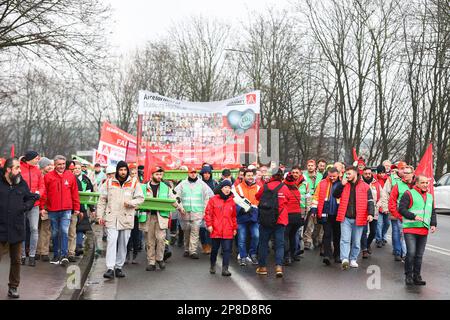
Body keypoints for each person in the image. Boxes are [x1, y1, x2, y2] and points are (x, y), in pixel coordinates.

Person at [96, 161, 144, 279]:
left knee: (123, 243)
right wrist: (99, 216)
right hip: (112, 217)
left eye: (124, 170)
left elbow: (140, 198)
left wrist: (131, 203)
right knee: (111, 241)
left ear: (127, 170)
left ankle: (118, 267)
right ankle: (110, 268)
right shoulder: (109, 182)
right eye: (120, 170)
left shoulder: (133, 183)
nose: (123, 172)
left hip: (126, 217)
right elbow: (102, 200)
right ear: (117, 170)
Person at [0, 158, 40, 298]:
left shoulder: (21, 183)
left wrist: (25, 207)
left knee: (16, 260)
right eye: (17, 167)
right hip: (1, 227)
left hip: (17, 228)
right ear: (8, 169)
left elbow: (30, 197)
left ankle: (13, 287)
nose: (19, 170)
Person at [40, 155, 80, 267]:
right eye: (59, 164)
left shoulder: (70, 176)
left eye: (63, 164)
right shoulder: (48, 176)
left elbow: (74, 193)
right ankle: (56, 255)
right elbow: (45, 193)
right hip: (53, 209)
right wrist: (42, 207)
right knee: (55, 233)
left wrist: (76, 207)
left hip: (67, 209)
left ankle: (64, 256)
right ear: (55, 164)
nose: (61, 166)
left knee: (64, 231)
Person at [399, 174, 437, 286]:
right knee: (411, 253)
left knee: (419, 255)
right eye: (423, 183)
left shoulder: (430, 196)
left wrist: (433, 224)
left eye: (427, 183)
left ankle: (417, 276)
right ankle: (408, 276)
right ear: (417, 183)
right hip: (410, 229)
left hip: (423, 229)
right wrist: (413, 216)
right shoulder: (408, 194)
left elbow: (432, 212)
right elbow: (401, 209)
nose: (425, 185)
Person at [333, 166, 374, 269]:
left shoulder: (365, 186)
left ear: (355, 173)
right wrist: (341, 186)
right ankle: (345, 259)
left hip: (359, 217)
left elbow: (370, 201)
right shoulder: (344, 184)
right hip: (345, 217)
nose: (347, 176)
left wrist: (371, 214)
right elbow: (335, 195)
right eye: (346, 174)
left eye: (349, 173)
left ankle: (353, 259)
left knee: (356, 241)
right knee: (345, 240)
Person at [139, 167, 179, 271]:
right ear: (152, 175)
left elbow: (172, 199)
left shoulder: (166, 187)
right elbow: (138, 199)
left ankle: (160, 258)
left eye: (161, 175)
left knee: (161, 239)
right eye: (157, 174)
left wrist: (180, 207)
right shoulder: (143, 187)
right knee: (150, 240)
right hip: (148, 217)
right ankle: (151, 262)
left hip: (161, 217)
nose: (159, 177)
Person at [255, 167, 290, 277]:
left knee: (263, 243)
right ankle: (279, 267)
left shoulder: (265, 186)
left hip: (266, 219)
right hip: (280, 220)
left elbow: (257, 197)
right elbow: (288, 199)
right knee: (279, 244)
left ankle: (262, 267)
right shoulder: (284, 188)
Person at [174, 167, 213, 259]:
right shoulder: (182, 184)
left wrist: (204, 210)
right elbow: (176, 196)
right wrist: (180, 207)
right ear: (188, 173)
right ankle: (187, 249)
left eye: (194, 172)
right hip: (185, 212)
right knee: (186, 231)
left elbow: (207, 197)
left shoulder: (202, 184)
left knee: (195, 231)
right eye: (191, 172)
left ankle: (193, 251)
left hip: (197, 211)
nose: (193, 174)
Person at [205, 180, 237, 276]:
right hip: (216, 229)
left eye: (229, 187)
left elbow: (234, 216)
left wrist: (235, 228)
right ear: (221, 188)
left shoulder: (232, 201)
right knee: (214, 249)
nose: (227, 189)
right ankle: (212, 265)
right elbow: (208, 213)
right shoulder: (213, 199)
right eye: (225, 187)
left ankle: (225, 269)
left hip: (228, 229)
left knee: (227, 249)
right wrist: (209, 225)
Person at [311, 167, 342, 265]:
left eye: (334, 176)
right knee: (327, 234)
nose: (332, 178)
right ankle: (327, 255)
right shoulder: (322, 183)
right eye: (330, 176)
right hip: (326, 213)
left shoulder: (342, 184)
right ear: (328, 174)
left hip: (338, 213)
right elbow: (316, 197)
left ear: (338, 175)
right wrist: (314, 209)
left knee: (337, 235)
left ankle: (337, 255)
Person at [19, 151, 45, 267]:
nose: (37, 160)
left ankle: (32, 256)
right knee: (22, 229)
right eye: (36, 158)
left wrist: (39, 193)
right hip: (21, 204)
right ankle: (23, 255)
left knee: (34, 228)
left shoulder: (37, 171)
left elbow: (42, 185)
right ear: (29, 159)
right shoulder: (19, 169)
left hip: (35, 203)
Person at [233, 169, 260, 266]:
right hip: (242, 217)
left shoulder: (258, 188)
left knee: (256, 236)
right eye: (248, 175)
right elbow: (233, 202)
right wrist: (240, 209)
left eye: (252, 175)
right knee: (241, 238)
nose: (250, 177)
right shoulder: (238, 188)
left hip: (254, 216)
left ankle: (252, 254)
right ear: (244, 177)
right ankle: (243, 256)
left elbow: (260, 202)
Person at [388, 164, 414, 261]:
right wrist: (397, 215)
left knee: (412, 237)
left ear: (412, 174)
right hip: (402, 216)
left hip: (415, 217)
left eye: (408, 173)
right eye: (404, 173)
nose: (405, 175)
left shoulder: (417, 185)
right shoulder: (398, 185)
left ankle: (410, 255)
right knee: (401, 235)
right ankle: (403, 254)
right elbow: (392, 202)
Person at [360, 167, 385, 259]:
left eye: (369, 173)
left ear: (371, 174)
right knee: (364, 231)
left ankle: (367, 243)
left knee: (373, 231)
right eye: (366, 173)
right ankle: (364, 250)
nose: (367, 175)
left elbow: (382, 196)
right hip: (362, 211)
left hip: (374, 210)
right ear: (363, 174)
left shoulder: (376, 184)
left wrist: (378, 204)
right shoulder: (359, 183)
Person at [71, 163, 95, 258]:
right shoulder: (69, 178)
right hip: (72, 206)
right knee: (72, 228)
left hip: (83, 207)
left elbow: (90, 195)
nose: (77, 170)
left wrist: (92, 208)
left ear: (81, 169)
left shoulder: (86, 180)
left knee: (80, 227)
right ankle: (73, 247)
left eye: (78, 168)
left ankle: (79, 245)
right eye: (75, 168)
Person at [283, 172, 304, 266]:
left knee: (285, 236)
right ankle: (293, 254)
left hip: (289, 215)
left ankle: (287, 257)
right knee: (293, 235)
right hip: (297, 216)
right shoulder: (296, 189)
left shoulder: (284, 189)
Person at [36, 157, 54, 262]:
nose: (50, 167)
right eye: (48, 165)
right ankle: (38, 251)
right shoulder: (38, 176)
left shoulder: (49, 177)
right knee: (36, 230)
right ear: (43, 166)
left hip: (46, 206)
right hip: (37, 205)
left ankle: (44, 252)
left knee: (46, 229)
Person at [303, 160, 323, 251]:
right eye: (308, 165)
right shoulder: (304, 175)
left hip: (318, 198)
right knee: (309, 221)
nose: (310, 167)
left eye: (312, 165)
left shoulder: (320, 176)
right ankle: (307, 241)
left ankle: (316, 239)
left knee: (318, 221)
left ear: (315, 167)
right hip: (308, 199)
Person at [199, 165, 218, 254]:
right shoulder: (198, 183)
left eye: (208, 173)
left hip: (212, 209)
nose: (206, 175)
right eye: (205, 173)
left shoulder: (214, 183)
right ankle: (204, 245)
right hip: (200, 208)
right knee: (202, 229)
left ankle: (209, 246)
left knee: (210, 228)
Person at [375, 164, 390, 249]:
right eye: (380, 173)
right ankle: (379, 239)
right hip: (379, 205)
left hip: (387, 205)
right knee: (379, 224)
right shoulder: (375, 180)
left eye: (383, 173)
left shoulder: (388, 180)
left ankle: (383, 235)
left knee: (387, 223)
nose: (381, 174)